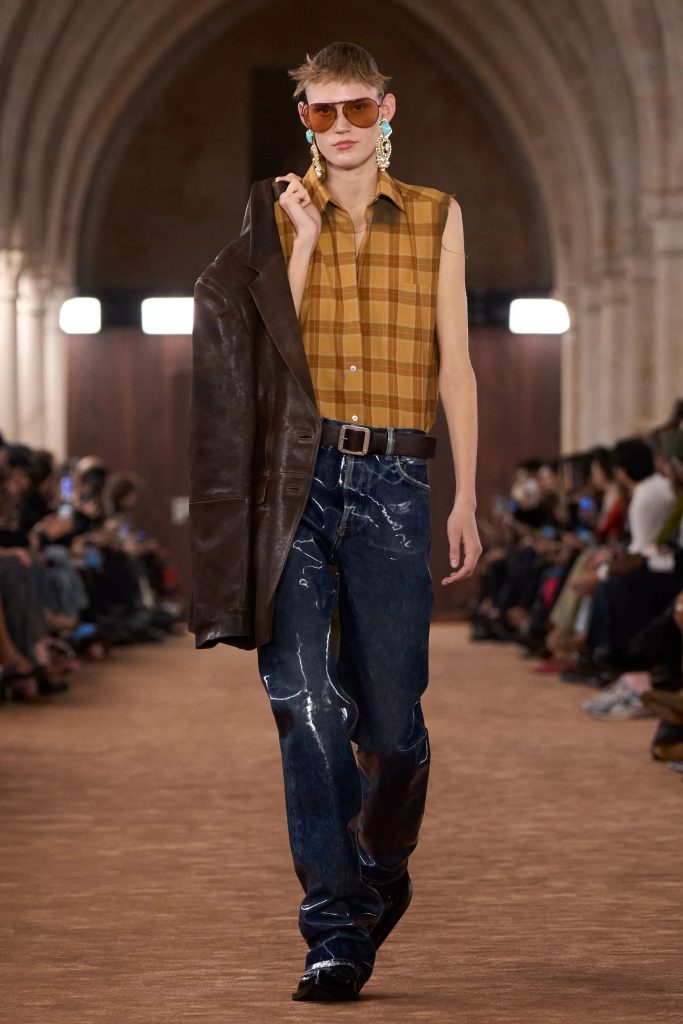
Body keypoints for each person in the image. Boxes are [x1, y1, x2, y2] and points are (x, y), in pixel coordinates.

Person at [236, 42, 482, 1002]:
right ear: (303, 117)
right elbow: (266, 353)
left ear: (386, 109)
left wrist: (464, 497)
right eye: (319, 111)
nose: (338, 127)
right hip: (295, 481)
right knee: (304, 708)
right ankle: (333, 928)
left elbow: (455, 363)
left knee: (391, 722)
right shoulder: (272, 211)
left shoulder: (435, 213)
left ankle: (383, 860)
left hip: (395, 481)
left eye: (355, 108)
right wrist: (300, 242)